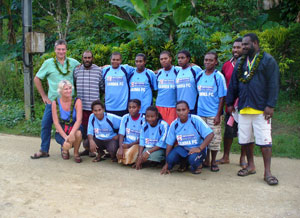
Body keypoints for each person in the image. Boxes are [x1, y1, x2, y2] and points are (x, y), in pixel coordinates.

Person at [226, 33, 279, 185]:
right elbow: (233, 85)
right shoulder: (241, 62)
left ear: (255, 43)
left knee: (264, 141)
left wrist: (270, 105)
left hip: (261, 109)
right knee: (245, 140)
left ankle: (267, 172)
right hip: (243, 108)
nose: (243, 47)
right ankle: (250, 166)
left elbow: (273, 84)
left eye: (246, 45)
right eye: (242, 45)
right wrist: (230, 103)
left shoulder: (268, 60)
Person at [31, 39, 80, 159]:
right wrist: (44, 96)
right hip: (53, 101)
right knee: (45, 125)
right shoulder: (48, 63)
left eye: (63, 49)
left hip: (68, 102)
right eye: (59, 49)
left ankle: (65, 149)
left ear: (66, 50)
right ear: (55, 50)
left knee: (67, 125)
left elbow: (86, 67)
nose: (61, 51)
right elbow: (37, 79)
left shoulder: (73, 63)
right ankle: (44, 149)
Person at [216, 38, 247, 168]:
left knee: (245, 131)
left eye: (238, 47)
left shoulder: (248, 64)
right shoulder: (226, 65)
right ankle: (226, 156)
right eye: (234, 47)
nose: (235, 50)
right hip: (230, 104)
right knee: (228, 131)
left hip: (244, 103)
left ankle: (243, 158)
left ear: (244, 49)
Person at [161, 101, 214, 175]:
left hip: (197, 149)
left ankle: (197, 165)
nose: (181, 112)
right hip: (183, 149)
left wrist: (199, 148)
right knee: (170, 159)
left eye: (184, 109)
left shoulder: (195, 120)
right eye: (178, 110)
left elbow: (210, 134)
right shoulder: (174, 124)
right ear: (176, 111)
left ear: (188, 110)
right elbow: (169, 143)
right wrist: (167, 163)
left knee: (193, 160)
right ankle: (184, 163)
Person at [196, 51, 227, 172]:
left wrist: (218, 114)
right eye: (206, 60)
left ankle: (214, 161)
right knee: (203, 138)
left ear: (216, 62)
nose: (207, 62)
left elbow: (222, 97)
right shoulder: (200, 75)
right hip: (201, 113)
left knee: (214, 138)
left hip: (213, 113)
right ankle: (206, 160)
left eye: (210, 60)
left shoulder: (218, 76)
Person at [73, 50, 104, 157]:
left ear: (92, 58)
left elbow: (102, 87)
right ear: (82, 58)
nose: (87, 60)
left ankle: (96, 150)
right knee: (84, 129)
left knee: (95, 129)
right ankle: (87, 149)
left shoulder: (98, 71)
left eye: (89, 58)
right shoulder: (76, 70)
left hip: (94, 108)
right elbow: (75, 85)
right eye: (85, 58)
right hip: (81, 107)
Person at [51, 80, 83, 163]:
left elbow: (79, 120)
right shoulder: (55, 103)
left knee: (78, 134)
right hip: (62, 127)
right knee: (67, 145)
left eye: (70, 88)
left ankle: (76, 153)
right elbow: (56, 122)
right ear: (60, 91)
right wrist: (66, 138)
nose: (69, 91)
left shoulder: (77, 101)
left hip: (74, 126)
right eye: (65, 89)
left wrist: (72, 134)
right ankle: (65, 150)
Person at [102, 52, 135, 116]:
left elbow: (139, 70)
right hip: (109, 105)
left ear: (121, 60)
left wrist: (156, 72)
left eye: (117, 60)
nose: (115, 61)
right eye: (113, 59)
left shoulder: (125, 68)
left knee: (122, 125)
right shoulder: (105, 70)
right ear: (110, 60)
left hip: (123, 106)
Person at [117, 99, 145, 165]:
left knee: (128, 157)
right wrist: (121, 147)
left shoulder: (143, 119)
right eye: (129, 107)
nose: (131, 109)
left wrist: (130, 145)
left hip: (137, 144)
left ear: (139, 108)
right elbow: (121, 134)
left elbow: (142, 138)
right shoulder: (125, 117)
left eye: (134, 107)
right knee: (120, 156)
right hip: (126, 143)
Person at [156, 51, 179, 125]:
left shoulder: (177, 70)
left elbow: (188, 68)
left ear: (170, 59)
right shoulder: (159, 73)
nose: (163, 60)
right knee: (160, 128)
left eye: (165, 58)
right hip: (159, 106)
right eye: (161, 59)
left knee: (171, 128)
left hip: (172, 106)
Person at [176, 50, 202, 114]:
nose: (180, 60)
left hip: (192, 106)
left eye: (182, 58)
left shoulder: (195, 69)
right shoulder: (177, 71)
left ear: (188, 59)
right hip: (181, 107)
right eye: (178, 58)